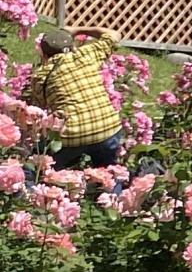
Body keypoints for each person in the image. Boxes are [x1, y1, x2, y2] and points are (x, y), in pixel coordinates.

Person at [24, 27, 125, 169]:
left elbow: (40, 106)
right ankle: (114, 190)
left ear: (43, 54)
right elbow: (114, 34)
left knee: (40, 167)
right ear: (73, 46)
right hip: (108, 129)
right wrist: (78, 30)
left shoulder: (40, 76)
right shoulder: (86, 54)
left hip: (72, 135)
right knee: (110, 173)